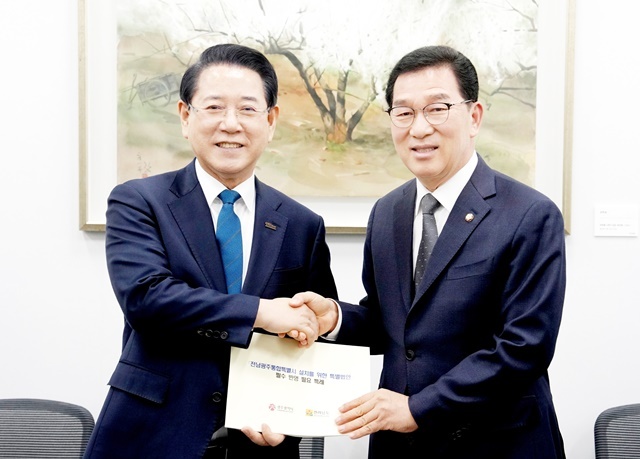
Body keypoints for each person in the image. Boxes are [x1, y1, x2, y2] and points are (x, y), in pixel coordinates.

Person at [292, 45, 566, 458]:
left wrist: (417, 408)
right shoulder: (387, 211)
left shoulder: (529, 214)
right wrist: (335, 318)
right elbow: (392, 322)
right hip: (400, 447)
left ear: (474, 117)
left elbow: (525, 347)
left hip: (497, 442)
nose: (419, 129)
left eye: (437, 109)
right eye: (403, 113)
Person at [83, 43, 338, 459]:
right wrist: (261, 312)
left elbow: (312, 337)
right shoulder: (138, 201)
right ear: (186, 117)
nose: (230, 124)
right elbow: (147, 299)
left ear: (271, 120)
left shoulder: (302, 224)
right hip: (152, 434)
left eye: (248, 109)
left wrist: (291, 422)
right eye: (215, 107)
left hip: (259, 445)